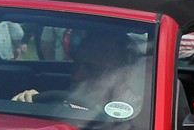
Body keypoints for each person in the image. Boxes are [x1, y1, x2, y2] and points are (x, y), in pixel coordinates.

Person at [13, 30, 147, 120]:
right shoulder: (63, 101)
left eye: (93, 68)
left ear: (125, 75)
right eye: (76, 65)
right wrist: (28, 106)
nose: (77, 75)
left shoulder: (141, 115)